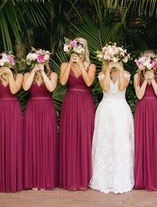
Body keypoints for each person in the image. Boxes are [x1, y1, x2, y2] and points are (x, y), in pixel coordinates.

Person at [89, 61, 134, 194]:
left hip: (121, 110)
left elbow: (121, 87)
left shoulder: (126, 74)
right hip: (106, 110)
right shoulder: (102, 74)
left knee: (121, 143)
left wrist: (120, 71)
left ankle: (121, 178)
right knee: (104, 143)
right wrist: (108, 71)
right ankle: (103, 179)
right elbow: (107, 88)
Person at [59, 38, 96, 190]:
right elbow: (62, 82)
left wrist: (80, 64)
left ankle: (84, 178)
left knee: (85, 137)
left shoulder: (91, 65)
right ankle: (70, 178)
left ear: (84, 50)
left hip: (85, 103)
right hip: (70, 102)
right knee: (70, 138)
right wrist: (69, 63)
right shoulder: (64, 65)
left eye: (80, 48)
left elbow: (88, 83)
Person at [134, 51, 157, 190]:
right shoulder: (137, 76)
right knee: (143, 141)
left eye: (151, 59)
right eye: (146, 60)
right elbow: (139, 95)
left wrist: (153, 81)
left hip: (156, 109)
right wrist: (145, 82)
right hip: (143, 109)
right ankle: (143, 179)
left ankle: (156, 177)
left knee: (156, 141)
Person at [23, 50, 58, 190]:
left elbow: (51, 88)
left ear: (46, 61)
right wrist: (33, 72)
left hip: (47, 109)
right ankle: (33, 181)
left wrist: (43, 72)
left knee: (46, 143)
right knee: (32, 142)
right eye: (37, 61)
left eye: (42, 61)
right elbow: (25, 87)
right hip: (32, 109)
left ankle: (45, 180)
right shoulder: (26, 75)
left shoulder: (52, 74)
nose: (39, 63)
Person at [0, 53, 23, 192]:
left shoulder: (18, 76)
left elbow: (14, 90)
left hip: (13, 110)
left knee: (12, 144)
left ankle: (12, 181)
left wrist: (9, 74)